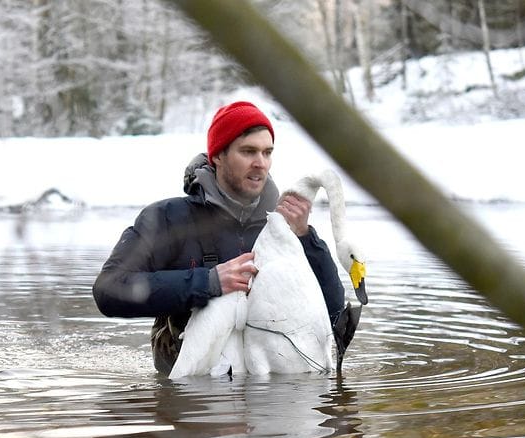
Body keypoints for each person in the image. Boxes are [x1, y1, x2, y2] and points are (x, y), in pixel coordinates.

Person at [92, 101, 344, 374]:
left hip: (270, 377)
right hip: (190, 382)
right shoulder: (167, 218)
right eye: (248, 151)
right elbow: (109, 291)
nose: (260, 163)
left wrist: (304, 237)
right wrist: (207, 282)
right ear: (218, 156)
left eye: (267, 152)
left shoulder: (283, 227)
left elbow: (333, 314)